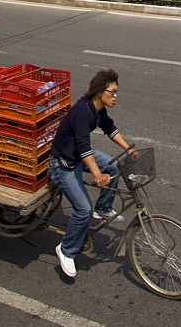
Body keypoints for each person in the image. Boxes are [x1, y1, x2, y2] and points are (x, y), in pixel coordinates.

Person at [49, 68, 138, 280]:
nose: (115, 96)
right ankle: (66, 250)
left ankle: (104, 207)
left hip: (78, 156)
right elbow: (83, 146)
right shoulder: (82, 111)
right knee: (82, 211)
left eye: (116, 92)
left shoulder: (98, 110)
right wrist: (96, 174)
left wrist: (128, 149)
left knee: (113, 167)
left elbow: (110, 129)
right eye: (112, 92)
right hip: (64, 164)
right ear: (100, 92)